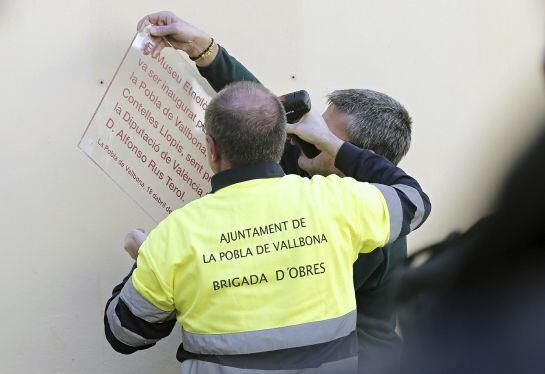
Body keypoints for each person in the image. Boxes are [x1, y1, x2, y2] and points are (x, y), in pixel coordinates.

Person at [137, 11, 424, 371]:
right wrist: (202, 48)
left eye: (323, 135)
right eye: (313, 123)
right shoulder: (313, 164)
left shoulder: (365, 222)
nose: (306, 133)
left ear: (353, 159)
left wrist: (162, 265)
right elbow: (262, 116)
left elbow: (266, 280)